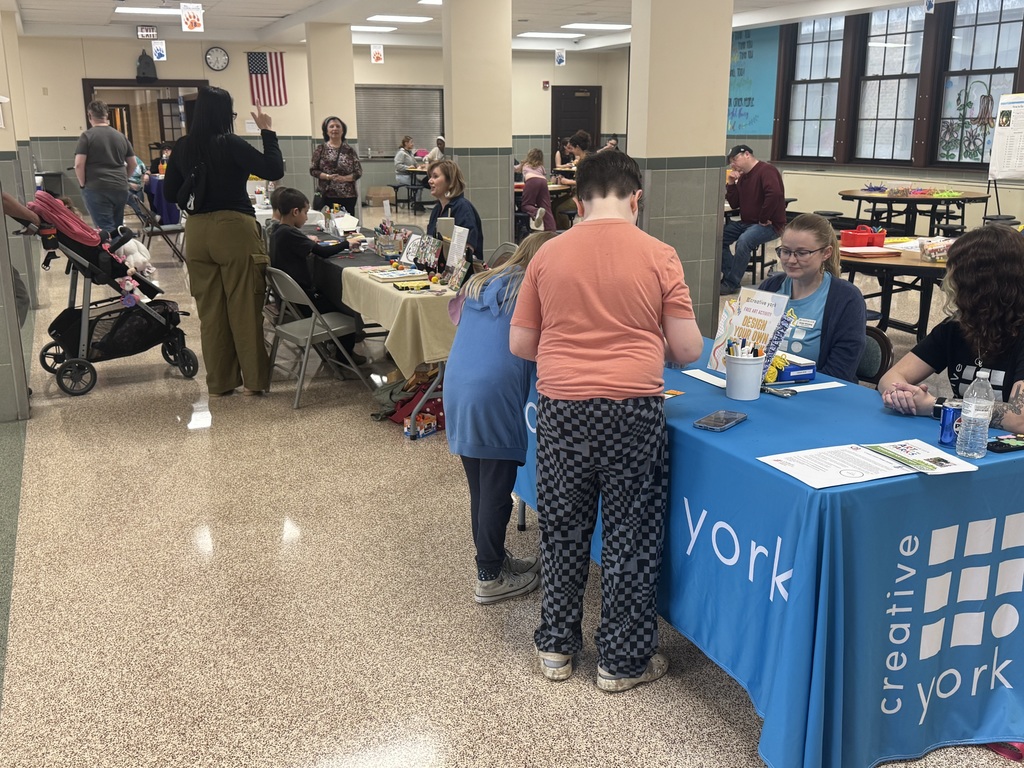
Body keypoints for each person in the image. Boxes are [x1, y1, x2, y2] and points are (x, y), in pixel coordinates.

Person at [509, 151, 703, 692]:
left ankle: (555, 646)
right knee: (629, 535)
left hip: (562, 409)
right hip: (632, 411)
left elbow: (521, 342)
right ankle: (621, 662)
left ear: (577, 200)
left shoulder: (548, 255)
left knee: (564, 529)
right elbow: (687, 349)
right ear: (636, 198)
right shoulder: (660, 255)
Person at [445, 231, 556, 604]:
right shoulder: (534, 293)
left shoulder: (485, 282)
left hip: (458, 389)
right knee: (496, 494)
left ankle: (492, 559)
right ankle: (489, 578)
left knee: (481, 487)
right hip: (493, 397)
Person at [164, 87, 283, 397]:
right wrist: (267, 132)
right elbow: (273, 169)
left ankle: (220, 383)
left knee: (211, 313)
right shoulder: (229, 143)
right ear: (223, 115)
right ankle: (254, 381)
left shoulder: (183, 147)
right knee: (244, 308)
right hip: (234, 229)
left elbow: (168, 194)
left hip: (198, 232)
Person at [879, 225, 1024, 432]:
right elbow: (890, 378)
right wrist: (902, 394)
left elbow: (1020, 419)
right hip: (967, 437)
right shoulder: (957, 327)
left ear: (979, 284)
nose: (947, 283)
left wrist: (935, 405)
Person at [757, 213, 866, 382]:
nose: (791, 260)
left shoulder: (846, 299)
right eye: (785, 251)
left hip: (819, 393)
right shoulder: (770, 288)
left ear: (826, 253)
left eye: (802, 253)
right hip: (767, 386)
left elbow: (840, 372)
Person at [268, 188, 365, 363]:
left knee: (331, 295)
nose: (306, 217)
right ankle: (345, 357)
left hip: (290, 299)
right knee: (346, 308)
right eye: (305, 212)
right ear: (295, 212)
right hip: (303, 300)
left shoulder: (278, 231)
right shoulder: (289, 233)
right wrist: (346, 243)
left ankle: (333, 345)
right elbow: (323, 252)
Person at [721, 144, 787, 296]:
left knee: (744, 241)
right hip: (747, 223)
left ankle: (731, 283)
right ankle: (732, 274)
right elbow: (735, 204)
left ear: (747, 155)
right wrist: (731, 183)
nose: (733, 164)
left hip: (770, 225)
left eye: (735, 159)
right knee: (719, 237)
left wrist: (764, 217)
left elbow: (775, 194)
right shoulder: (743, 177)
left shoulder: (766, 170)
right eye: (731, 161)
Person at [74, 100, 136, 234]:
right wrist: (124, 178)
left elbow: (79, 164)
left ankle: (114, 254)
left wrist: (83, 184)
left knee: (105, 230)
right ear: (106, 115)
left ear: (89, 116)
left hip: (97, 187)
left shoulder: (87, 136)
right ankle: (121, 251)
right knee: (117, 228)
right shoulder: (121, 136)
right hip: (120, 187)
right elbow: (133, 163)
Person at [426, 159, 483, 266]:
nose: (430, 180)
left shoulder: (463, 208)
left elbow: (467, 250)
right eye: (430, 177)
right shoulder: (436, 210)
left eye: (435, 176)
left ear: (450, 181)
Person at [310, 116, 362, 214]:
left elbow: (358, 172)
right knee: (329, 224)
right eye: (331, 126)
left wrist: (344, 178)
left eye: (338, 126)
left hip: (348, 196)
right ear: (326, 131)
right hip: (327, 195)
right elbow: (313, 170)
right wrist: (328, 177)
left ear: (343, 131)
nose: (335, 129)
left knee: (347, 224)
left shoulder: (350, 150)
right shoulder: (320, 149)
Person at [553, 130, 592, 229]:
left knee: (559, 209)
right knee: (553, 204)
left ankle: (564, 233)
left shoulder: (586, 162)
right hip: (576, 193)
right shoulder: (581, 160)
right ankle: (556, 230)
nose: (571, 151)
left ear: (578, 147)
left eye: (572, 148)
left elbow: (587, 181)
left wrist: (568, 182)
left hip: (583, 197)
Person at [517, 149, 555, 232]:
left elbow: (515, 169)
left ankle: (536, 211)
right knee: (547, 208)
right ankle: (551, 231)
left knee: (526, 205)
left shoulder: (525, 164)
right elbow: (543, 174)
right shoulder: (541, 167)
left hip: (531, 181)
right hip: (543, 181)